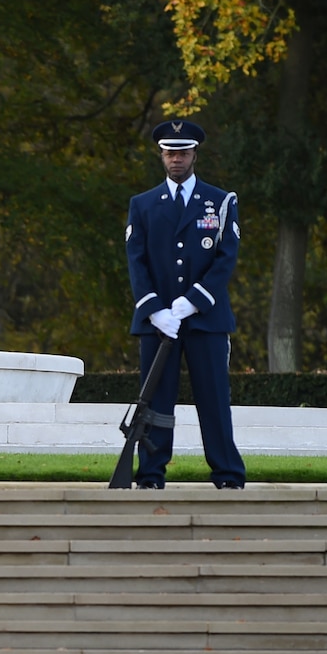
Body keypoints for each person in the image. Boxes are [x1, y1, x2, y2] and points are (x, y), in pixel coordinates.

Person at [124, 119, 246, 489]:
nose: (176, 158)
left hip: (206, 318)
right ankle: (150, 472)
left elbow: (226, 257)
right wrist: (156, 309)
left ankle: (227, 473)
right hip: (157, 320)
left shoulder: (220, 202)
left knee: (213, 399)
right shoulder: (143, 204)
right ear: (162, 155)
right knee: (156, 401)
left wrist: (191, 303)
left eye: (183, 152)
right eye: (170, 152)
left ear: (194, 154)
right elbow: (136, 260)